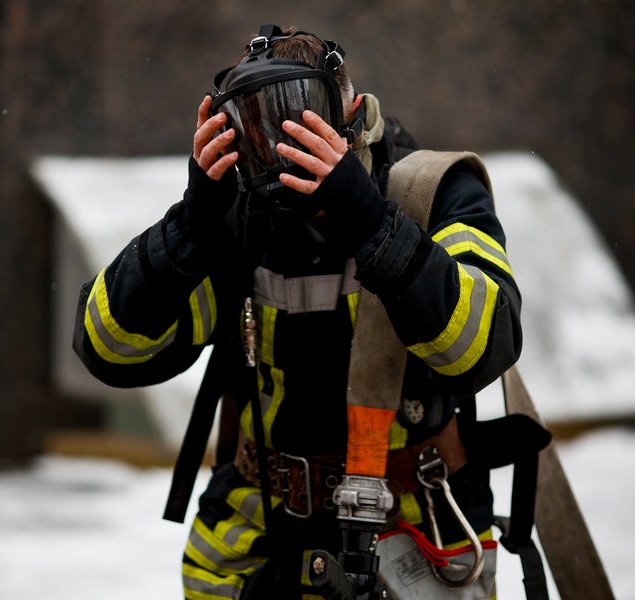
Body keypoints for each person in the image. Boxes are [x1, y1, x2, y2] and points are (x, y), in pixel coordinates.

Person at [73, 24, 521, 600]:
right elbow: (108, 347)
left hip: (415, 534)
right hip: (256, 542)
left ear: (351, 115)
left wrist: (370, 222)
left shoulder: (432, 192)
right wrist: (190, 227)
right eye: (258, 130)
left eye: (303, 123)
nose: (282, 150)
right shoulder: (230, 221)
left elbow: (484, 344)